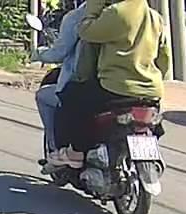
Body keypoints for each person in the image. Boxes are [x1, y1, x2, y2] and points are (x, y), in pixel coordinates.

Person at [50, 0, 171, 168]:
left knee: (70, 96)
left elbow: (86, 31)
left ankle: (76, 152)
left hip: (116, 88)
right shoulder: (155, 17)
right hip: (151, 92)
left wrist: (94, 5)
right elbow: (164, 59)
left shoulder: (116, 13)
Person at [31, 0, 86, 165]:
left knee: (46, 97)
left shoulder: (81, 17)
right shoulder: (148, 17)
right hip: (146, 89)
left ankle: (57, 149)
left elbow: (59, 51)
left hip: (90, 84)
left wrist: (39, 53)